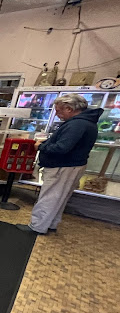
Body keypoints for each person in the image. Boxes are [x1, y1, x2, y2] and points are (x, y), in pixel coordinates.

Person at [16, 94, 102, 234]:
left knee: (49, 197)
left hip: (63, 166)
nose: (57, 114)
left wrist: (41, 146)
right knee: (60, 198)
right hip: (72, 165)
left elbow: (62, 148)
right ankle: (51, 223)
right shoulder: (86, 122)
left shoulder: (77, 124)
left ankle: (37, 226)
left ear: (69, 108)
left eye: (59, 111)